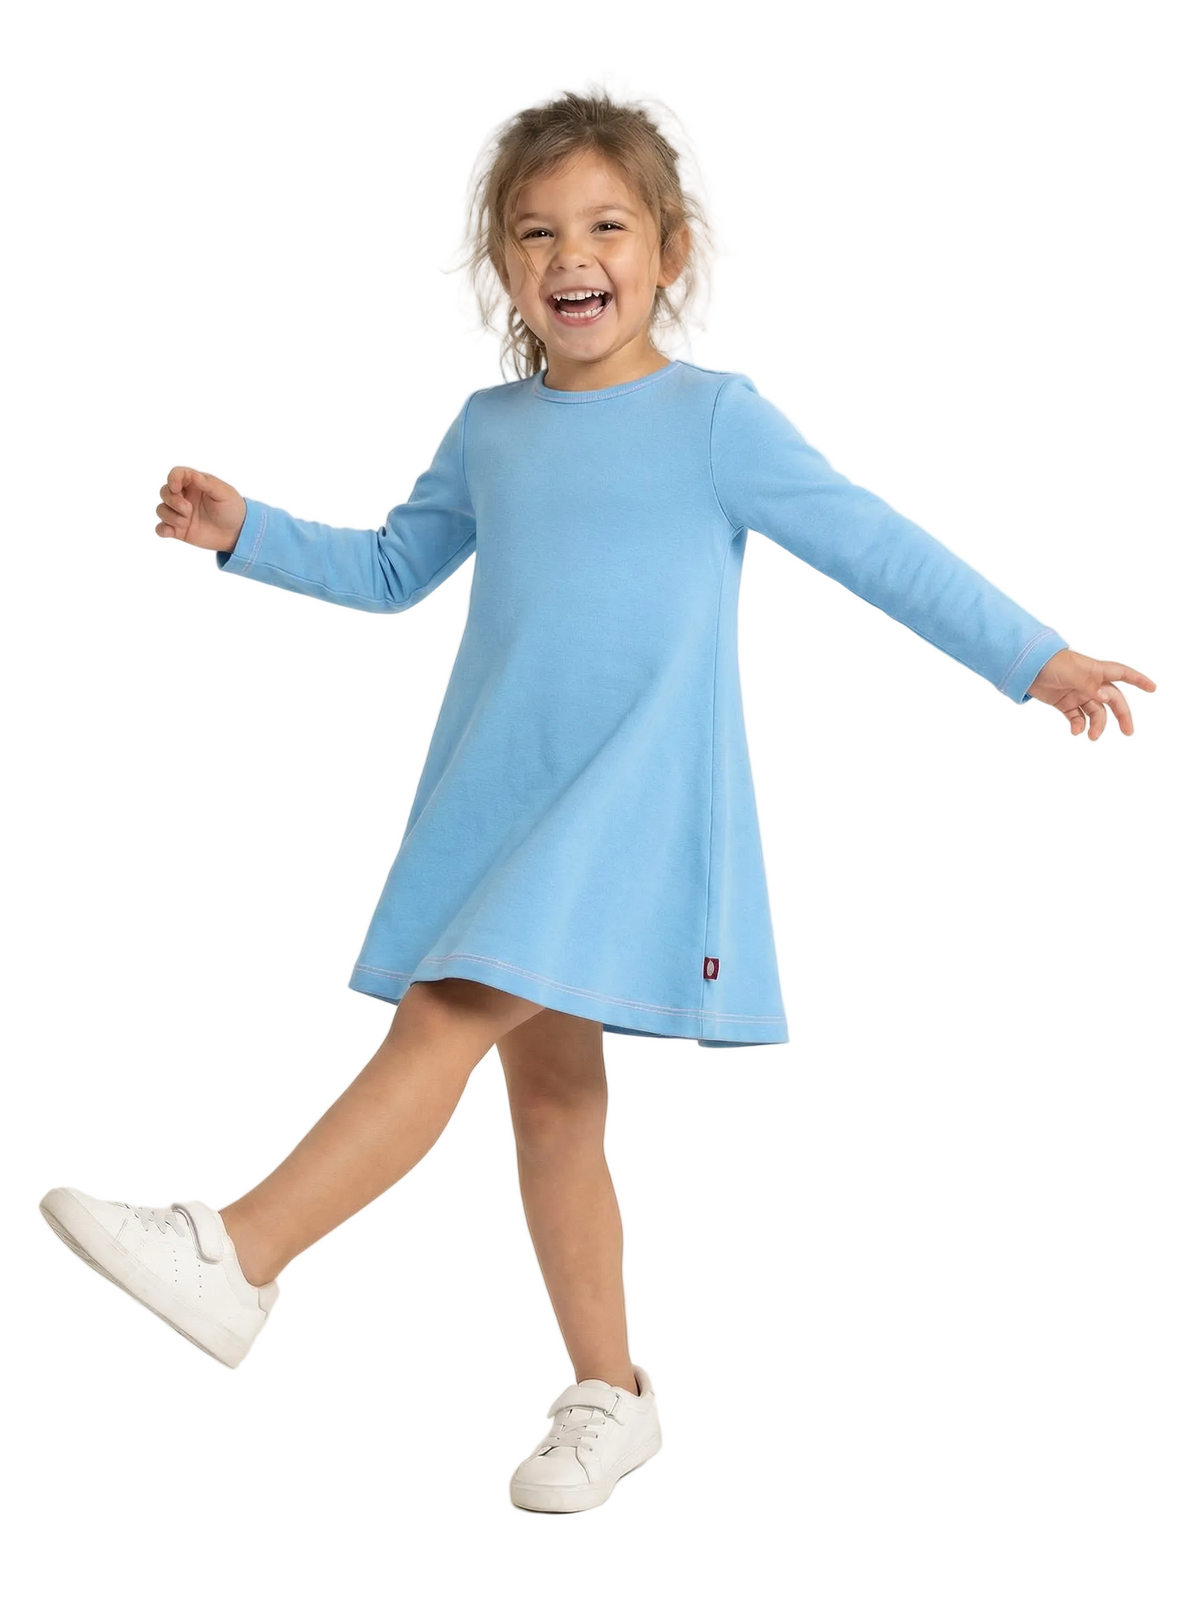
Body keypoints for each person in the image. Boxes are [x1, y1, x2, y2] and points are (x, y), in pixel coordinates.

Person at [39, 87, 1155, 1516]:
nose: (574, 253)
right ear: (506, 269)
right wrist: (247, 531)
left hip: (629, 809)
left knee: (447, 1012)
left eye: (607, 225)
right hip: (502, 797)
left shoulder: (715, 422)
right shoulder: (490, 430)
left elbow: (877, 543)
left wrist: (1032, 657)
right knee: (555, 1106)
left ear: (668, 251)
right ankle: (612, 1394)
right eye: (538, 232)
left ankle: (241, 1255)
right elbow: (393, 570)